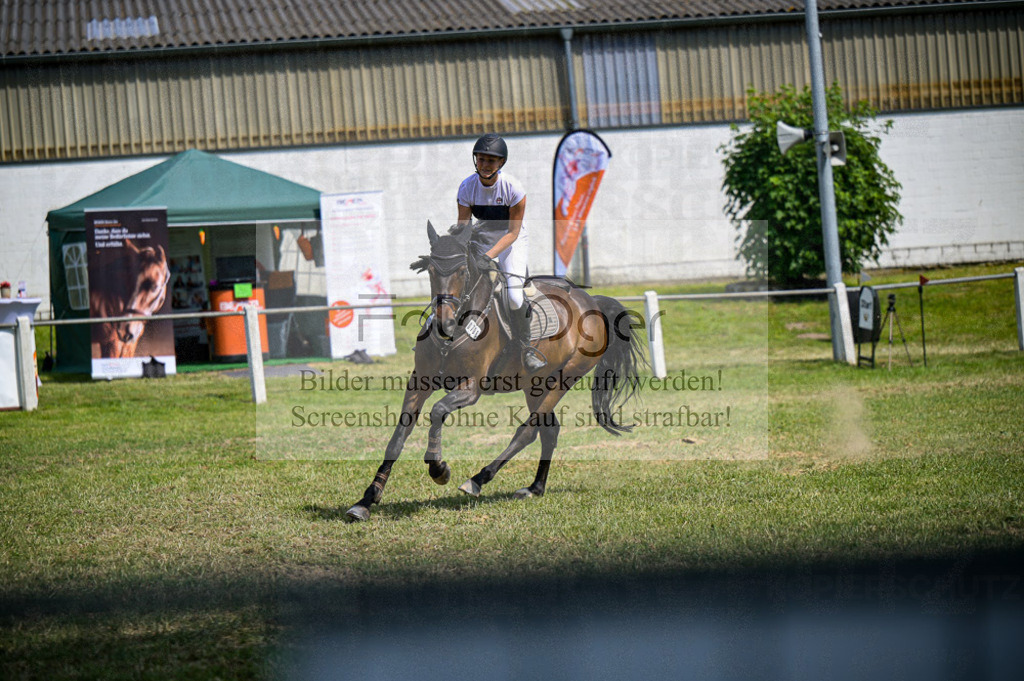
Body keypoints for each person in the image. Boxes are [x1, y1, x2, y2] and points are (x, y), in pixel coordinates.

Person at [456, 133, 546, 371]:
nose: (485, 165)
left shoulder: (513, 188)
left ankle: (526, 348)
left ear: (501, 163)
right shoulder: (466, 187)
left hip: (511, 239)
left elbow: (513, 232)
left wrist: (489, 256)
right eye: (481, 159)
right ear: (475, 160)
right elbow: (463, 228)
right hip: (482, 235)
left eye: (491, 161)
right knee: (456, 282)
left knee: (514, 297)